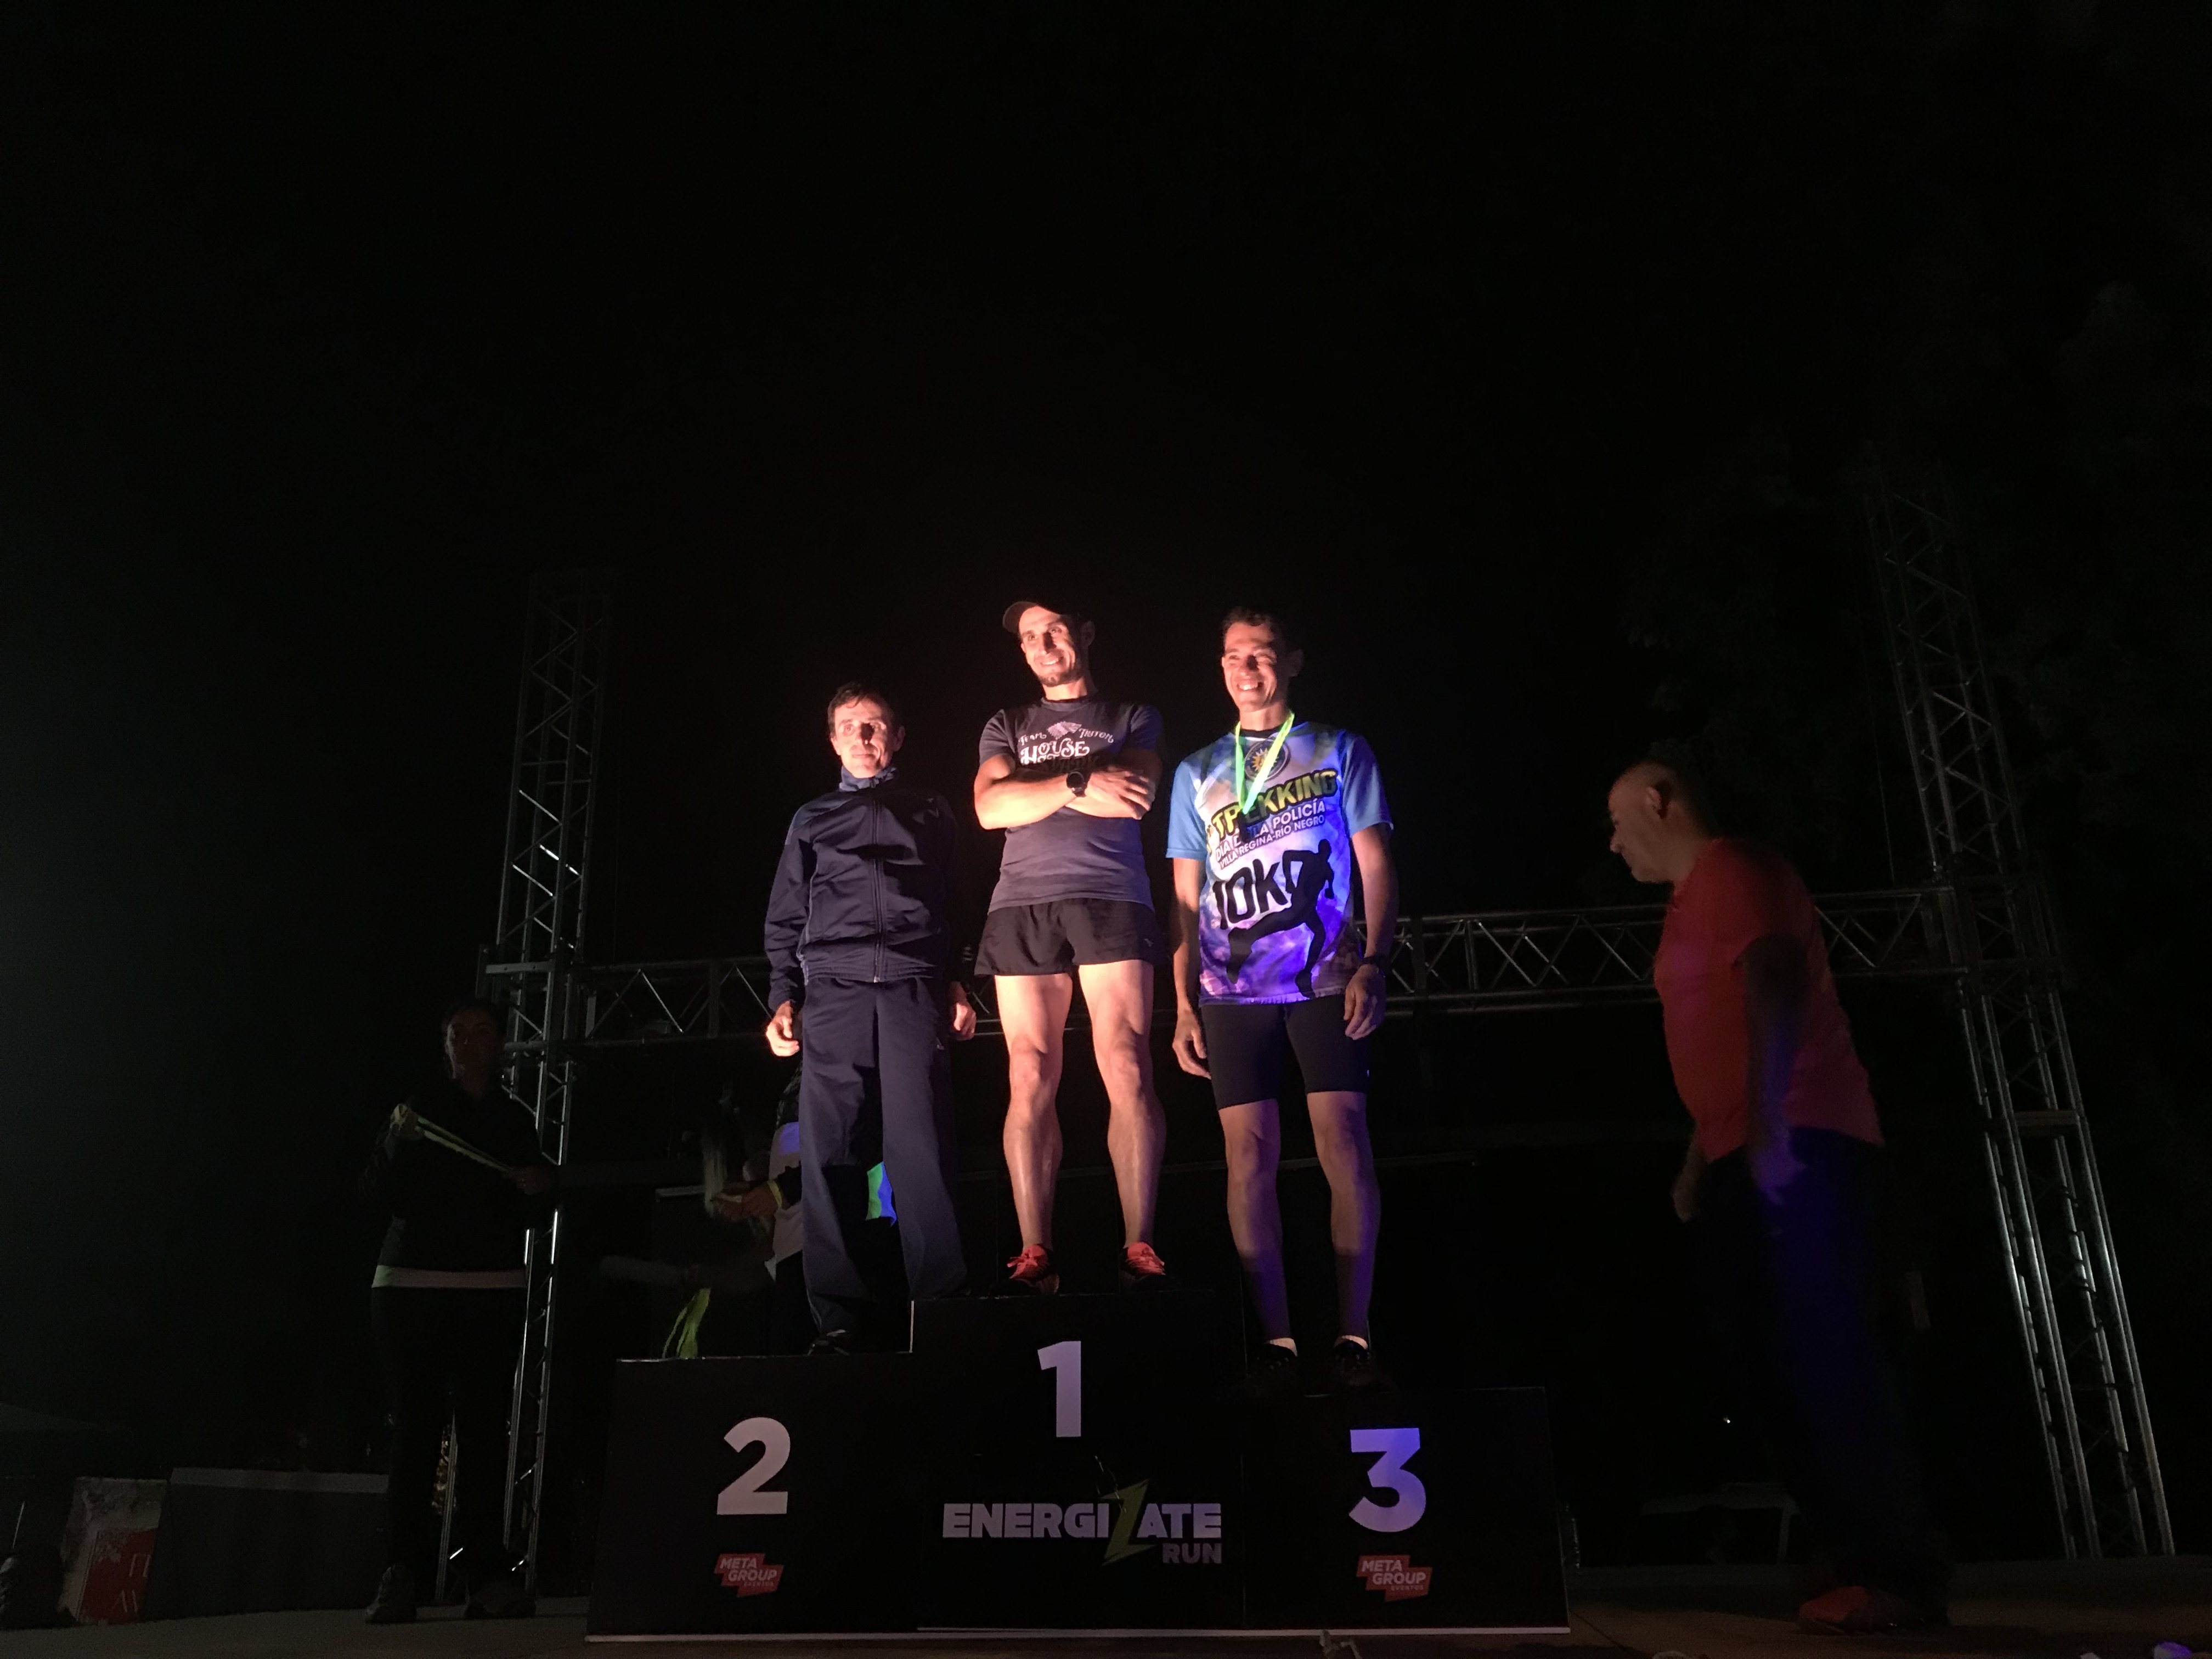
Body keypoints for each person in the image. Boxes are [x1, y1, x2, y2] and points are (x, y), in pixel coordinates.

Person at [1606, 759, 1948, 1634]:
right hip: (1746, 1148)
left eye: (1619, 819)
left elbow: (1774, 981)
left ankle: (1893, 1572)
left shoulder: (1734, 869)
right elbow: (1720, 1031)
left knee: (1829, 1358)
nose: (1613, 843)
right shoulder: (1689, 902)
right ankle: (1852, 1552)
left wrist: (1768, 1126)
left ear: (1660, 802)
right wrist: (1701, 1155)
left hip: (1804, 1141)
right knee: (1758, 1360)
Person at [1167, 608, 1397, 1395]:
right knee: (1247, 1158)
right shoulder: (1196, 772)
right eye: (1233, 656)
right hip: (1230, 991)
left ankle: (1355, 1337)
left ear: (1292, 661)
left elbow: (1376, 863)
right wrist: (1181, 1004)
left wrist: (1376, 960)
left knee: (1344, 1143)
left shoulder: (1340, 749)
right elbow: (1184, 901)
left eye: (1261, 655)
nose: (1247, 669)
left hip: (1326, 979)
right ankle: (1276, 1342)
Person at [763, 682, 976, 1349]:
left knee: (922, 1150)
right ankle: (839, 1320)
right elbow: (786, 915)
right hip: (834, 991)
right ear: (833, 740)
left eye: (875, 725)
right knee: (830, 1153)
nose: (862, 737)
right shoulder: (813, 818)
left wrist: (957, 981)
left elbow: (957, 900)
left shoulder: (931, 808)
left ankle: (940, 1308)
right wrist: (783, 996)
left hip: (914, 986)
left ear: (897, 736)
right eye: (850, 727)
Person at [973, 600, 1170, 1294]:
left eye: (1054, 629)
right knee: (1029, 1073)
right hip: (1020, 904)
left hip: (1112, 896)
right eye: (1031, 637)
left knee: (1127, 1061)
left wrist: (1033, 790)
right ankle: (1036, 1253)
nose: (1043, 643)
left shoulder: (1132, 716)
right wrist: (1083, 779)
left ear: (1084, 633)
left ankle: (1139, 1245)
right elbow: (990, 809)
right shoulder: (1005, 723)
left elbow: (1133, 798)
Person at [360, 997, 554, 1624]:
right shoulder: (417, 1111)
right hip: (410, 1287)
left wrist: (538, 1185)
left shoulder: (514, 1120)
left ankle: (487, 1576)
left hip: (491, 1288)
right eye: (458, 1033)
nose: (469, 1042)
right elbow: (379, 1192)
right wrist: (396, 1145)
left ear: (499, 1044)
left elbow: (532, 1211)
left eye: (482, 1032)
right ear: (445, 1046)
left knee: (484, 1432)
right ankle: (401, 1574)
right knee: (415, 1431)